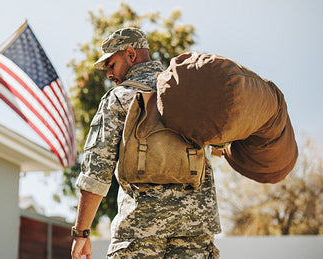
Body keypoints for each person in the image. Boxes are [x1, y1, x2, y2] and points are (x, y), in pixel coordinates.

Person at [70, 28, 221, 259]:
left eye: (111, 64)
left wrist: (81, 232)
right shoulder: (189, 93)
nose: (109, 74)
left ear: (130, 54)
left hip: (138, 233)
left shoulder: (119, 97)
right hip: (196, 232)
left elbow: (96, 171)